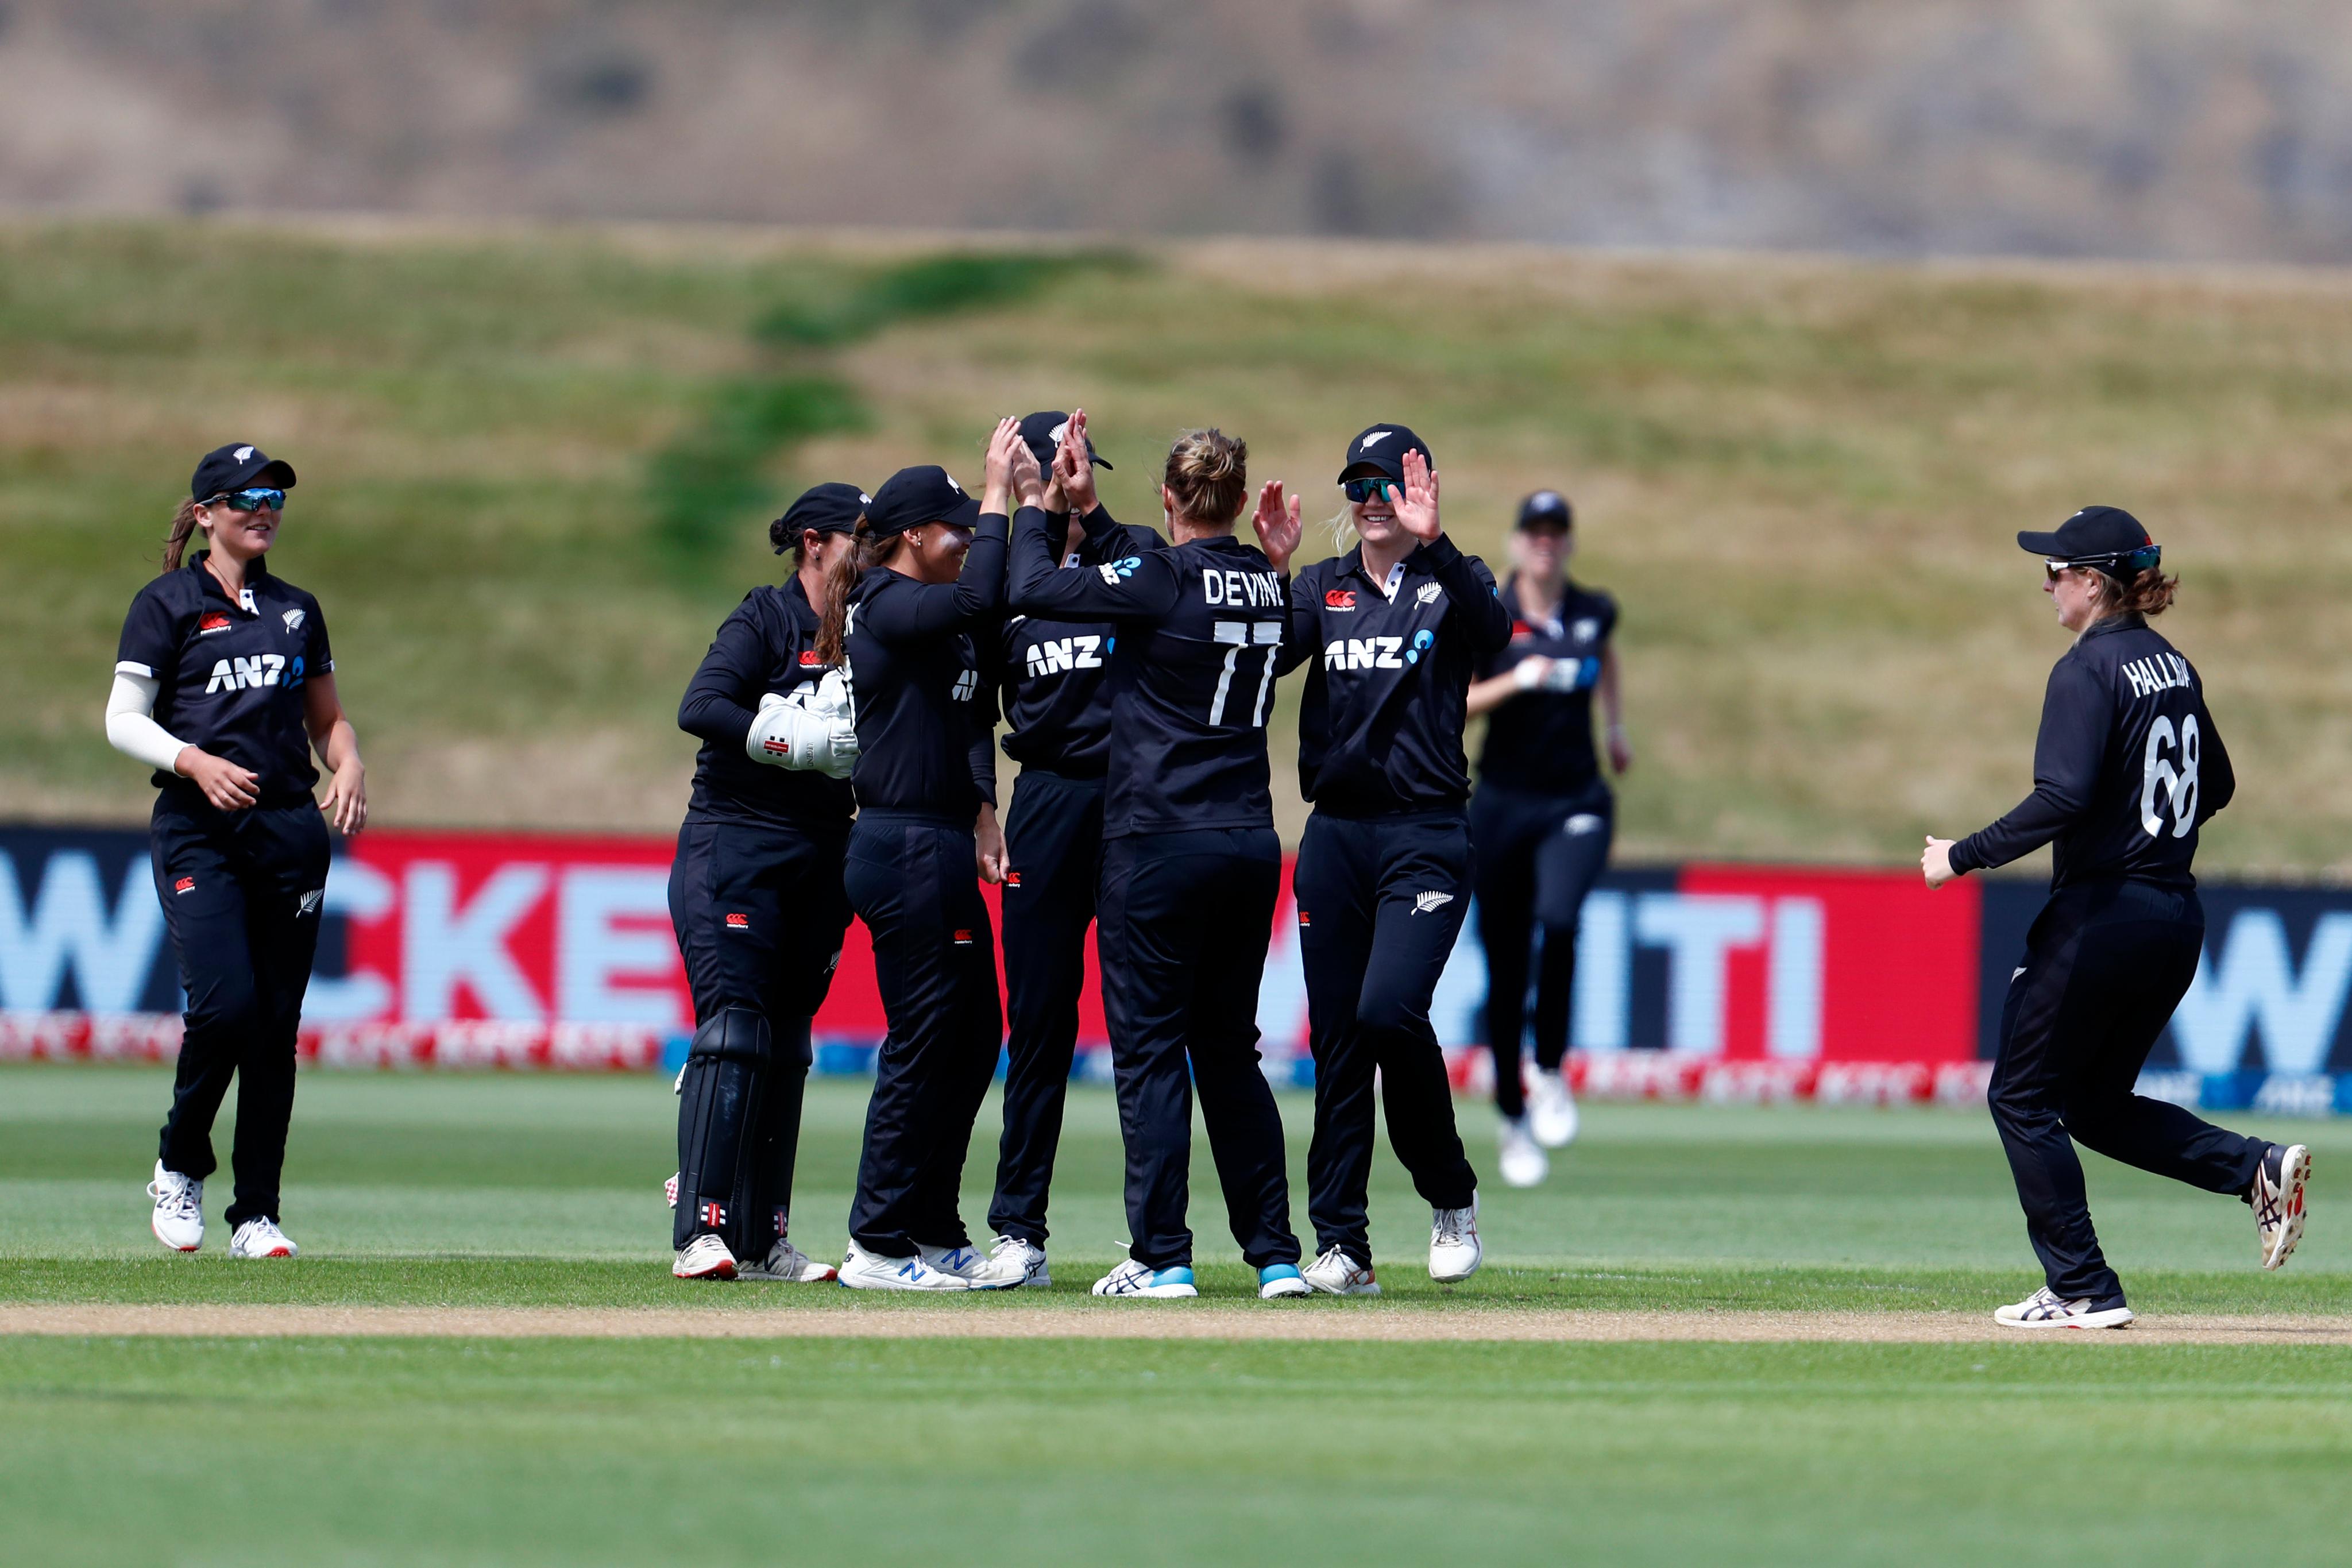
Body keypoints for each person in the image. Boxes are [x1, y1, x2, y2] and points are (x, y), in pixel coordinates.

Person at [1923, 506, 2309, 1330]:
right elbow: (2219, 784)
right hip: (2172, 916)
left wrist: (1960, 855)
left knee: (2020, 1096)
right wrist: (2147, 830)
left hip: (2100, 915)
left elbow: (2058, 797)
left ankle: (2081, 1286)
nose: (2044, 583)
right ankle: (2252, 1169)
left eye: (2055, 571)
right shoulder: (2170, 664)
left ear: (2092, 581)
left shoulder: (2084, 668)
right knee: (2090, 1102)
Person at [1009, 415, 1312, 1300]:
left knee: (1146, 1051)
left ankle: (1162, 1255)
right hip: (1248, 842)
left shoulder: (1161, 575)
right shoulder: (1264, 580)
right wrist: (1098, 515)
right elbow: (1178, 592)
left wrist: (1041, 503)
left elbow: (1034, 582)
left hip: (1158, 841)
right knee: (1228, 1050)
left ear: (1170, 500)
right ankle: (1276, 1256)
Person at [112, 443, 365, 1260]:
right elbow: (123, 718)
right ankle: (180, 1164)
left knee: (274, 1029)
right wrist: (190, 759)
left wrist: (349, 759)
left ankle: (255, 1212)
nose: (266, 509)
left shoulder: (297, 608)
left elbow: (327, 719)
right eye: (248, 496)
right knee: (224, 1007)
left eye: (276, 498)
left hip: (290, 830)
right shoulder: (167, 603)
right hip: (200, 828)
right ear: (206, 512)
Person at [1277, 424, 1509, 1295]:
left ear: (1416, 491)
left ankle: (1449, 1195)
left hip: (1424, 834)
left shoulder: (1454, 578)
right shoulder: (1320, 588)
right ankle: (1341, 1243)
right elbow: (1251, 653)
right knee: (1337, 1041)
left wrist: (1436, 538)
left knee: (1385, 1013)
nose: (1370, 501)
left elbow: (1495, 632)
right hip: (1335, 835)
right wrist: (1268, 572)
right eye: (1358, 486)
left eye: (1386, 485)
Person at [816, 427, 1028, 1291]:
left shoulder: (934, 622)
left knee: (975, 1033)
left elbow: (969, 722)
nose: (969, 540)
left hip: (938, 840)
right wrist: (996, 493)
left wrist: (982, 810)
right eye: (955, 528)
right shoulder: (888, 606)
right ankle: (876, 1240)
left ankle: (933, 1226)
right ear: (911, 538)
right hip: (900, 841)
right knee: (923, 1037)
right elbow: (981, 598)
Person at [665, 482, 867, 1283]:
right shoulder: (765, 616)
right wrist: (791, 739)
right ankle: (700, 1230)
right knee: (735, 1030)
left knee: (785, 1042)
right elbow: (700, 705)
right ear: (813, 541)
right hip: (736, 844)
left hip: (822, 853)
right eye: (859, 538)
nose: (872, 552)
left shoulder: (867, 626)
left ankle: (760, 1236)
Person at [979, 411, 1127, 1289]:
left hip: (1136, 805)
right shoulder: (997, 578)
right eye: (1060, 472)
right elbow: (966, 704)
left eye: (1084, 472)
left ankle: (1164, 1240)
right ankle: (1017, 1233)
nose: (1074, 488)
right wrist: (980, 806)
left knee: (1152, 1024)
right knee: (1037, 1024)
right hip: (1042, 800)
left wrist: (1080, 506)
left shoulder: (1129, 554)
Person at [1463, 489, 1630, 1187]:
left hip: (1576, 799)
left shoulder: (1593, 611)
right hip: (1500, 803)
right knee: (1504, 972)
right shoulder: (1491, 614)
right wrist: (1517, 682)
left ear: (1568, 542)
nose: (1546, 542)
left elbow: (1606, 662)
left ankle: (1553, 1069)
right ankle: (1511, 1117)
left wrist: (1615, 727)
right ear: (1517, 540)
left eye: (1557, 531)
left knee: (1559, 920)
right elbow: (1460, 702)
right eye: (1534, 530)